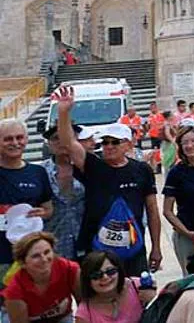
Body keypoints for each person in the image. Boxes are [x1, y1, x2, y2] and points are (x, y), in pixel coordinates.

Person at [52, 87, 160, 276]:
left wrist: (156, 247)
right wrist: (63, 111)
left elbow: (152, 210)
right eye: (105, 142)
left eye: (114, 142)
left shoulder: (142, 169)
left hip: (133, 248)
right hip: (97, 249)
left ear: (128, 143)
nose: (108, 147)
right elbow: (69, 143)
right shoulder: (94, 166)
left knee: (137, 297)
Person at [0, 119, 55, 274]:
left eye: (19, 137)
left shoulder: (38, 172)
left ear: (26, 139)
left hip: (33, 254)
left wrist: (41, 214)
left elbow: (48, 209)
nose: (15, 143)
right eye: (8, 139)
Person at [162, 125, 194, 275]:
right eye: (185, 143)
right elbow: (167, 211)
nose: (190, 146)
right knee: (192, 277)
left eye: (193, 141)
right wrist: (188, 233)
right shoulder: (176, 172)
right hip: (187, 235)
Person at [2, 232, 79, 323]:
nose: (44, 259)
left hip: (62, 317)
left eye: (47, 252)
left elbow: (87, 306)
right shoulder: (14, 291)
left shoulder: (70, 269)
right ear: (22, 263)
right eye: (36, 256)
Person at [74, 250, 158, 323]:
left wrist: (153, 298)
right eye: (96, 275)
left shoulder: (137, 286)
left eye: (111, 271)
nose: (105, 277)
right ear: (87, 280)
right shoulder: (85, 313)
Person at [39, 124, 84, 260]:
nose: (61, 142)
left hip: (87, 244)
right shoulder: (39, 172)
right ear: (48, 144)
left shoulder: (89, 168)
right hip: (53, 247)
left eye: (66, 137)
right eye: (55, 138)